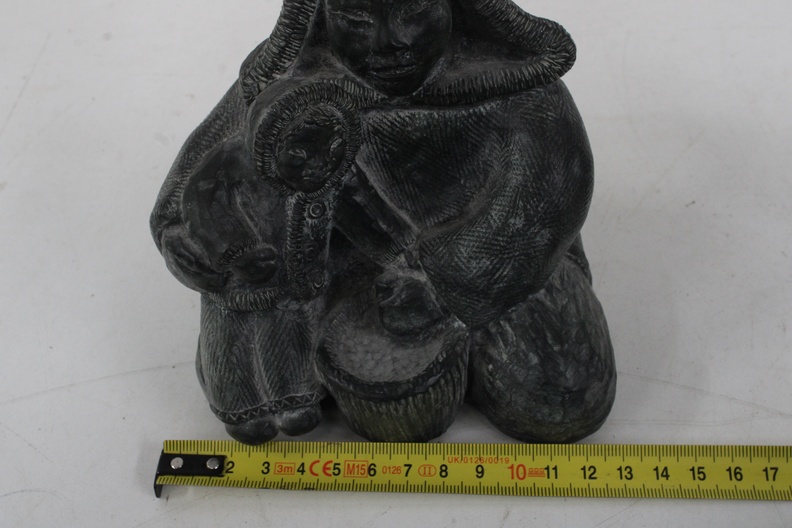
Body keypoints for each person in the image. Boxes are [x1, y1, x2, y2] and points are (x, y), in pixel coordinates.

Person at [152, 0, 616, 444]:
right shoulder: (287, 84)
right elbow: (201, 177)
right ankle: (270, 392)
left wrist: (442, 287)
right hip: (345, 263)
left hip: (498, 267)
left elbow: (548, 198)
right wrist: (183, 237)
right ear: (320, 14)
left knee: (563, 396)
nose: (388, 43)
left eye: (413, 11)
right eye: (355, 19)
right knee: (394, 411)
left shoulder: (518, 83)